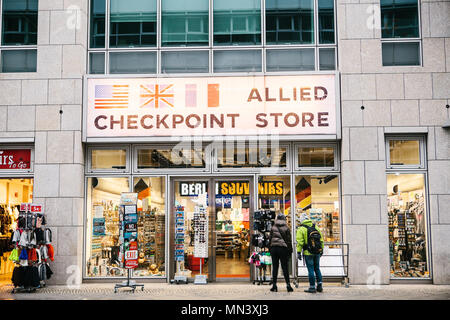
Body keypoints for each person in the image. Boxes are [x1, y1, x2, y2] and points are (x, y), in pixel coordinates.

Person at [296, 212, 324, 293]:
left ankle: (312, 287)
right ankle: (319, 286)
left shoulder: (301, 229)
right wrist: (321, 249)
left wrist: (298, 252)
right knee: (317, 268)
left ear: (301, 220)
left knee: (311, 269)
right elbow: (321, 239)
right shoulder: (316, 227)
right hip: (317, 252)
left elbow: (300, 242)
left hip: (308, 252)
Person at [269, 213, 294, 292]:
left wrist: (270, 248)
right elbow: (288, 241)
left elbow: (270, 239)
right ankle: (288, 285)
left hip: (274, 248)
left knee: (275, 267)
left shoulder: (273, 227)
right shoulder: (286, 228)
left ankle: (274, 285)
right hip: (283, 249)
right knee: (285, 267)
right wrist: (290, 250)